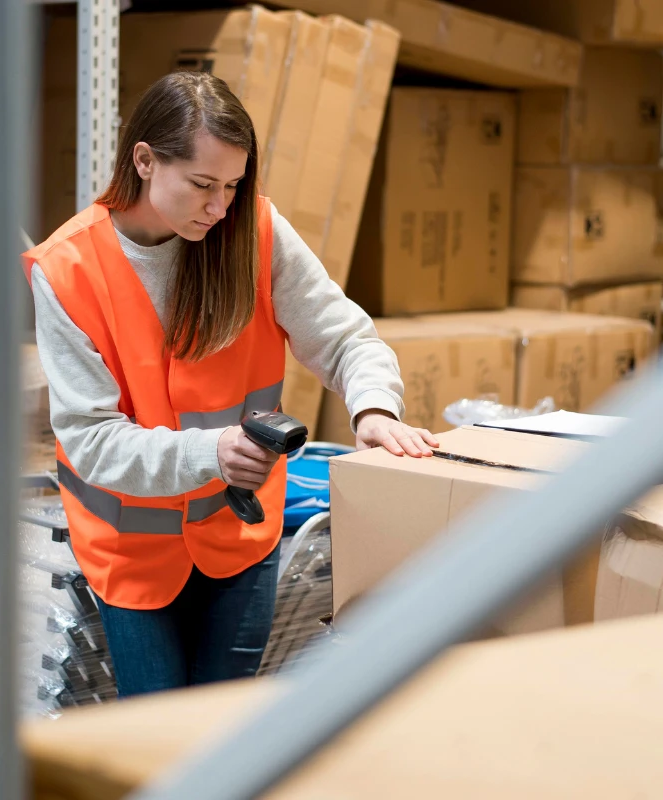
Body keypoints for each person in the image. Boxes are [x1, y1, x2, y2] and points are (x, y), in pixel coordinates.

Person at [22, 72, 439, 699]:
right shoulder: (68, 270)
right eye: (202, 185)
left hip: (237, 536)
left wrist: (373, 408)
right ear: (144, 160)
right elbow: (91, 440)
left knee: (221, 734)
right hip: (131, 549)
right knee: (160, 741)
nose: (220, 208)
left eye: (233, 186)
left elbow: (347, 338)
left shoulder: (253, 232)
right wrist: (210, 452)